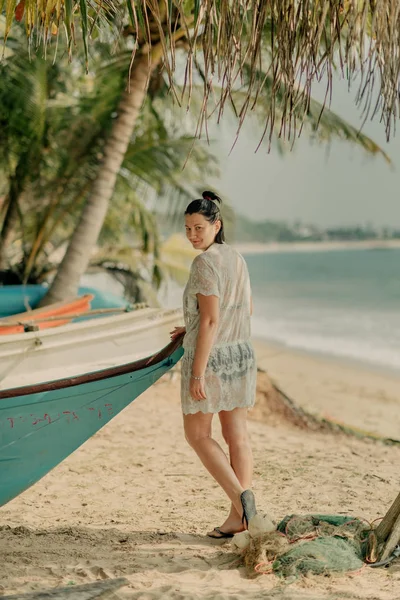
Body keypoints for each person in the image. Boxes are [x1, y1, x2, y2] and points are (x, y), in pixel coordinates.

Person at [170, 190, 258, 539]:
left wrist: (197, 372)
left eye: (199, 228)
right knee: (237, 435)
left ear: (216, 225)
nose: (193, 235)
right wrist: (190, 326)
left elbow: (210, 321)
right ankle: (239, 517)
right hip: (241, 356)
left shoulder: (204, 263)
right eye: (188, 229)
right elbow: (245, 309)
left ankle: (242, 501)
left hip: (211, 360)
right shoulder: (236, 258)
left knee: (197, 435)